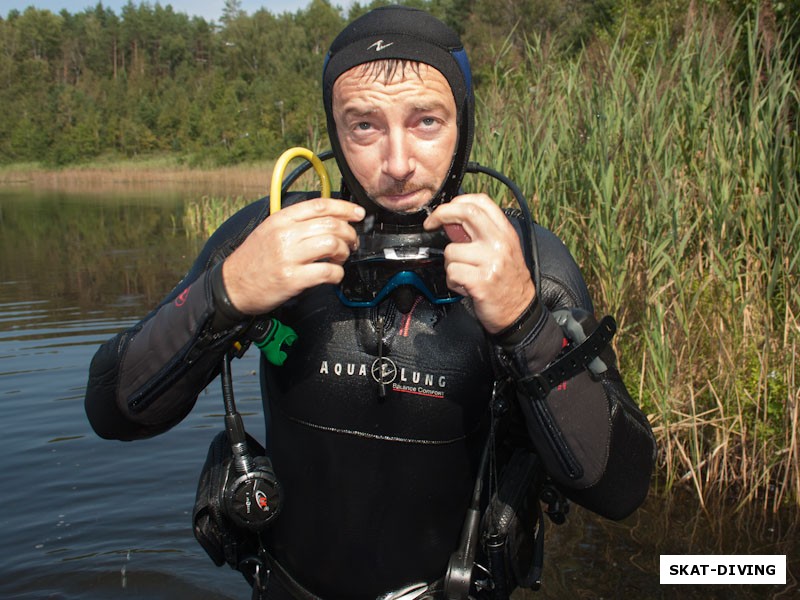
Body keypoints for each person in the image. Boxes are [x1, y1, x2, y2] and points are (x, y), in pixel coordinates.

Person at [85, 6, 656, 599]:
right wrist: (225, 294)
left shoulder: (524, 259)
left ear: (464, 121)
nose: (398, 163)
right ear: (334, 130)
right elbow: (111, 408)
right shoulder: (272, 235)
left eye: (427, 120)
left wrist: (525, 323)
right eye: (364, 126)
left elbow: (620, 488)